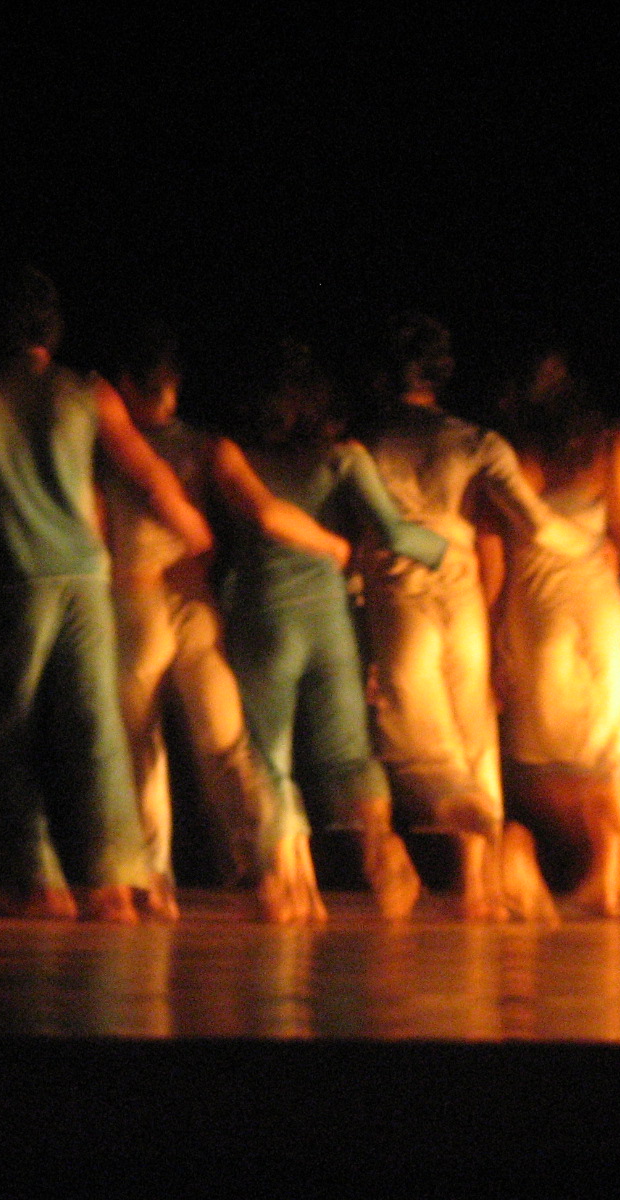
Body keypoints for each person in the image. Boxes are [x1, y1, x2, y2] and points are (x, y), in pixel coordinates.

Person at [0, 269, 212, 922]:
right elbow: (148, 475)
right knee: (97, 728)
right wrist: (198, 532)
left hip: (17, 580)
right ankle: (117, 884)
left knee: (7, 731)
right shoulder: (87, 392)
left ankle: (36, 882)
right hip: (88, 581)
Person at [100, 323, 352, 922]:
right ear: (174, 386)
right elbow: (264, 511)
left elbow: (95, 530)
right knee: (225, 741)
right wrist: (333, 545)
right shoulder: (206, 446)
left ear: (128, 385)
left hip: (135, 598)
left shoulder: (110, 448)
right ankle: (265, 868)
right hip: (193, 602)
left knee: (140, 747)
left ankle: (153, 880)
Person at [359, 315, 581, 921]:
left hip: (399, 590)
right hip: (462, 593)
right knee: (474, 735)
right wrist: (589, 546)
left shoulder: (364, 445)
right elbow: (536, 525)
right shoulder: (477, 442)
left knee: (417, 732)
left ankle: (471, 816)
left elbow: (352, 533)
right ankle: (480, 887)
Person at [220, 341, 448, 919]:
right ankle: (379, 841)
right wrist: (448, 553)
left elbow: (255, 518)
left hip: (263, 616)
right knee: (348, 755)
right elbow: (397, 533)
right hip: (330, 621)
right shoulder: (345, 459)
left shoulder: (233, 456)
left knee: (270, 757)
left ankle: (287, 880)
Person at [482, 349, 620, 917]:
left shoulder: (513, 455)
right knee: (605, 759)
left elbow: (495, 556)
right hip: (603, 613)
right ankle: (610, 879)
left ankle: (530, 857)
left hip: (541, 612)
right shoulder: (606, 447)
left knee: (539, 765)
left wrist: (490, 644)